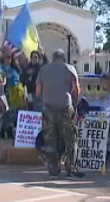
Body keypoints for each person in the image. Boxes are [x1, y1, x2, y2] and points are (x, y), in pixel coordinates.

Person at [36, 49, 84, 179]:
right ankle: (71, 169)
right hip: (65, 107)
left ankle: (53, 169)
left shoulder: (43, 70)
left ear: (53, 58)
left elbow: (38, 92)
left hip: (48, 108)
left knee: (50, 138)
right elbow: (76, 90)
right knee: (70, 139)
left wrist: (46, 98)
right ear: (63, 58)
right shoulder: (70, 69)